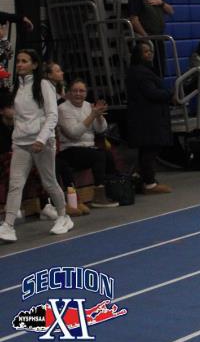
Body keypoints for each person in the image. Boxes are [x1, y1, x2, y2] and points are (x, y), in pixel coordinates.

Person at [0, 49, 73, 242]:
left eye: (24, 61)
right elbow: (21, 116)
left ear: (34, 65)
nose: (19, 64)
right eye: (18, 61)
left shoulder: (44, 85)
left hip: (42, 143)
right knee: (15, 184)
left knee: (49, 182)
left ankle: (63, 216)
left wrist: (41, 139)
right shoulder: (18, 86)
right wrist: (15, 130)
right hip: (21, 143)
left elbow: (52, 115)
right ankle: (8, 226)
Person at [57, 79, 118, 207]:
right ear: (69, 93)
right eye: (75, 91)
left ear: (86, 93)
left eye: (82, 91)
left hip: (88, 148)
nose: (78, 94)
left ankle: (113, 191)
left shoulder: (88, 106)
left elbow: (101, 129)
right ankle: (99, 197)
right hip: (69, 150)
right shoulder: (63, 109)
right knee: (98, 155)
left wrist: (99, 116)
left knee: (107, 155)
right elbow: (74, 134)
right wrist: (92, 115)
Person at [125, 42, 173, 194]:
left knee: (147, 149)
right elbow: (151, 93)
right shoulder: (141, 73)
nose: (150, 54)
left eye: (150, 51)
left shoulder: (137, 71)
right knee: (150, 149)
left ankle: (144, 178)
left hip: (144, 116)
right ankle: (149, 183)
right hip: (147, 118)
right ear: (138, 55)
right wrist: (169, 94)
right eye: (145, 52)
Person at [127, 0, 173, 72]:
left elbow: (171, 11)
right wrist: (146, 37)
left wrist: (161, 3)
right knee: (149, 68)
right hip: (147, 40)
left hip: (159, 37)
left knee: (160, 68)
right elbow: (134, 20)